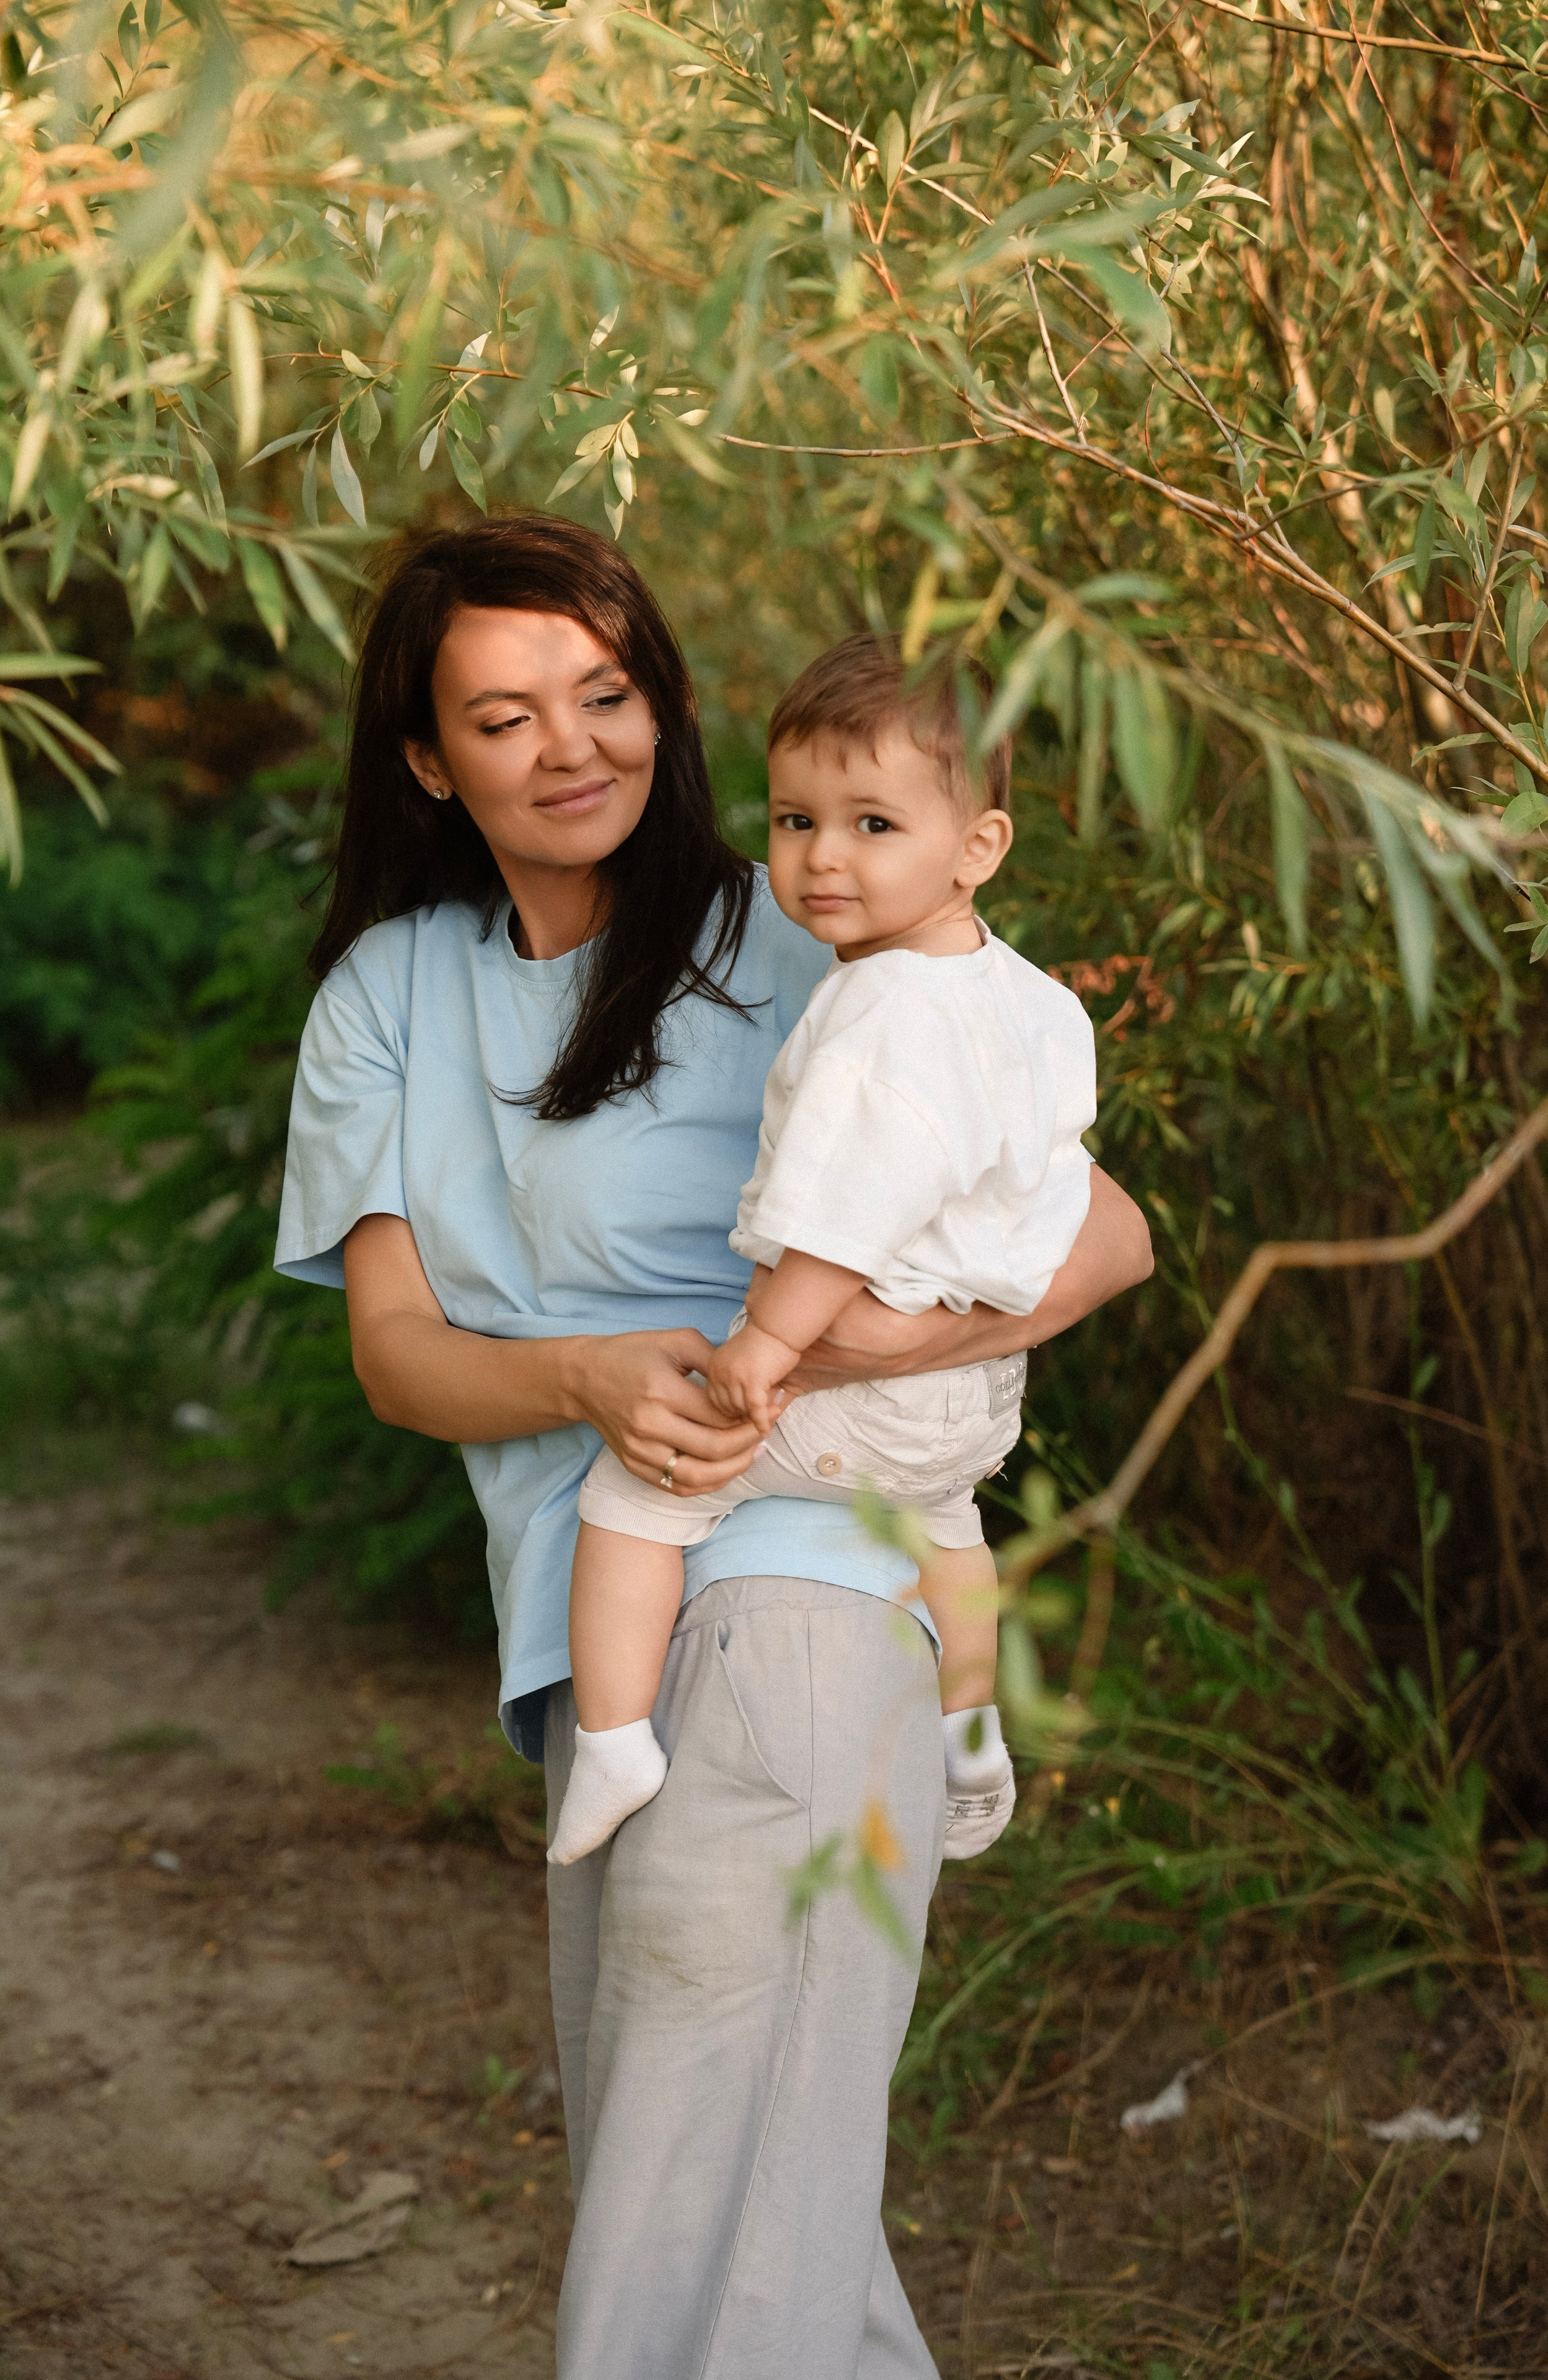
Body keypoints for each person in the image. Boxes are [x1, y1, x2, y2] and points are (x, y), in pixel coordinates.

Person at [274, 512, 1153, 2380]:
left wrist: (814, 1362)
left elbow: (1101, 1237)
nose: (567, 743)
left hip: (803, 1613)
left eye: (606, 694)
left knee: (713, 2214)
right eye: (502, 716)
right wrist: (593, 1378)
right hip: (598, 1629)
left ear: (662, 709)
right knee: (732, 2205)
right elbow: (401, 1357)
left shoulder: (812, 926)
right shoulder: (389, 995)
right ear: (429, 760)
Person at [554, 635, 1097, 1872]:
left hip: (862, 1382)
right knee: (943, 1517)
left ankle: (612, 1738)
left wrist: (765, 1346)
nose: (821, 857)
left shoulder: (878, 1010)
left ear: (977, 848)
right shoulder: (1030, 1002)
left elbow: (843, 1209)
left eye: (870, 824)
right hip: (971, 1394)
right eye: (795, 819)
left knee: (641, 1487)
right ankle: (968, 1731)